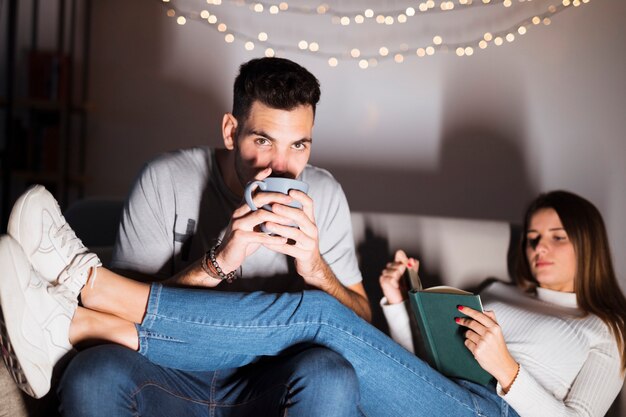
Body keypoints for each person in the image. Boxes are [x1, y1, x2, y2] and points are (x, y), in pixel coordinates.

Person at [2, 187, 625, 416]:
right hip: (444, 398)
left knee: (322, 315)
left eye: (558, 237)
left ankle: (89, 289)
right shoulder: (501, 290)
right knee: (323, 331)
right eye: (535, 235)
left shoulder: (605, 330)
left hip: (497, 412)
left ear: (589, 243)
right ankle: (79, 323)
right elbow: (428, 371)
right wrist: (398, 307)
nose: (540, 248)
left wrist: (510, 374)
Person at [6, 56, 371, 417]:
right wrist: (217, 263)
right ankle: (81, 297)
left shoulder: (323, 194)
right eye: (263, 140)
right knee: (94, 375)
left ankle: (77, 297)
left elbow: (362, 324)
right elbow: (125, 314)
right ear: (230, 131)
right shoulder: (165, 178)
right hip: (165, 370)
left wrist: (315, 268)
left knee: (332, 377)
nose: (280, 166)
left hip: (267, 380)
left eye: (298, 145)